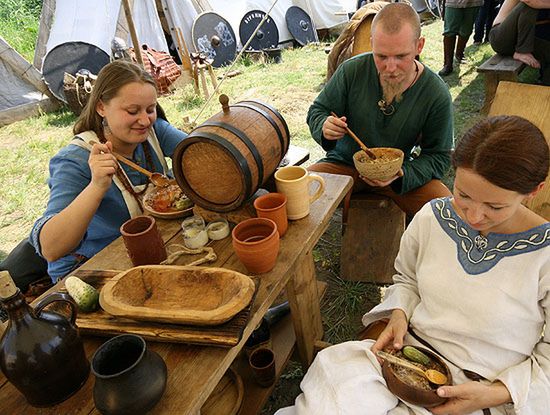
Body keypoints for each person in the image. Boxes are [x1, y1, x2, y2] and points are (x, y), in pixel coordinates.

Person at [276, 115, 550, 415]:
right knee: (335, 387)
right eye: (463, 195)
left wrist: (497, 393)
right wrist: (400, 312)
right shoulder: (433, 217)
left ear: (534, 191)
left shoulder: (544, 257)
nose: (473, 217)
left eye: (495, 207)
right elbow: (407, 279)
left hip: (475, 391)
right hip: (403, 360)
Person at [28, 60, 187, 282]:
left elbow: (201, 152)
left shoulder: (154, 132)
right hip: (89, 268)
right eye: (132, 111)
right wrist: (97, 186)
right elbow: (51, 248)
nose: (144, 120)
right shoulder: (75, 160)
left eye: (150, 109)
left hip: (149, 249)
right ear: (101, 107)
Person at [307, 2, 453, 218]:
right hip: (346, 166)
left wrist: (402, 173)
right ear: (372, 43)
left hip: (399, 174)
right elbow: (318, 110)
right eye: (381, 56)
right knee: (296, 193)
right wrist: (324, 126)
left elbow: (439, 156)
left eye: (401, 56)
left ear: (419, 46)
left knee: (446, 214)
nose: (390, 68)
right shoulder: (352, 71)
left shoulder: (435, 93)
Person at [489, 0, 550, 85]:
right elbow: (530, 2)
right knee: (528, 5)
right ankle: (522, 51)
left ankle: (545, 89)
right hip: (501, 38)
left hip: (521, 38)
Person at [439, 0, 483, 76]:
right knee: (449, 31)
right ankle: (447, 65)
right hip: (453, 2)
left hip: (474, 2)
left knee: (466, 31)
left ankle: (459, 54)